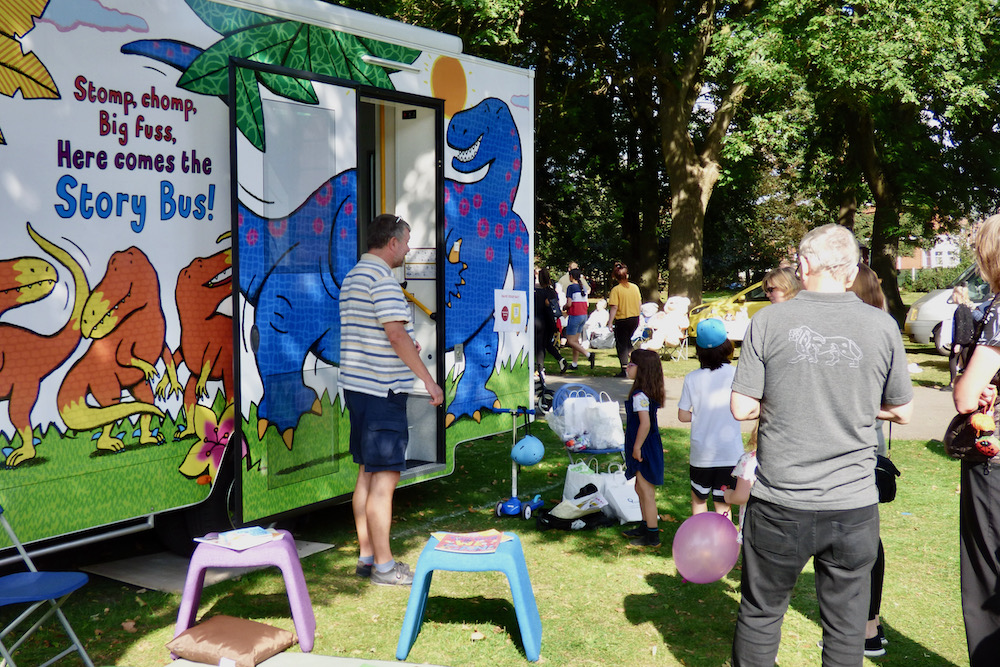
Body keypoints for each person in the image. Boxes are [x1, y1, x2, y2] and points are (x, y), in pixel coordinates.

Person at [729, 223, 913, 666]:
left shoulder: (768, 320)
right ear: (850, 272)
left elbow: (741, 407)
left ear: (804, 263)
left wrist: (787, 404)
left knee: (761, 614)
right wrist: (857, 407)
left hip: (780, 501)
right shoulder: (882, 325)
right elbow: (902, 411)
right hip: (851, 506)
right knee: (847, 628)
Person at [339, 214, 445, 586]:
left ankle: (367, 556)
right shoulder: (382, 280)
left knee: (366, 475)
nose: (409, 249)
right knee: (384, 481)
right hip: (383, 392)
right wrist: (430, 382)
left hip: (357, 389)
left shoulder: (354, 276)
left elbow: (383, 334)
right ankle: (385, 567)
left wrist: (403, 340)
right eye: (407, 241)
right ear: (392, 243)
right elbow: (396, 335)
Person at [953, 213, 1000, 666]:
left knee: (988, 577)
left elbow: (967, 396)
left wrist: (967, 386)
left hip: (995, 462)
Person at [848, 262, 891, 657]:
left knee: (862, 542)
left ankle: (867, 628)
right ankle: (868, 625)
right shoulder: (882, 325)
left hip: (859, 449)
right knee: (865, 538)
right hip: (868, 447)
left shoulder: (867, 331)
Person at [678, 318, 744, 517]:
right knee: (724, 503)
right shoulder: (737, 374)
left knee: (699, 500)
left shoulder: (691, 378)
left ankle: (701, 544)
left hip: (702, 453)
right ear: (727, 345)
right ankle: (725, 545)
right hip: (730, 452)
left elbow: (682, 415)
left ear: (699, 350)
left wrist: (700, 415)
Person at [621, 348, 666, 547]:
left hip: (644, 446)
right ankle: (645, 525)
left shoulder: (640, 396)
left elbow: (645, 424)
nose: (627, 367)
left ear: (642, 370)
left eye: (631, 364)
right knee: (639, 487)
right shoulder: (643, 393)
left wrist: (637, 447)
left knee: (646, 490)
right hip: (645, 444)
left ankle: (652, 536)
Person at [723, 425, 758, 545]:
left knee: (754, 563)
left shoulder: (749, 460)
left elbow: (741, 496)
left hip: (755, 527)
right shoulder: (790, 460)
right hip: (786, 525)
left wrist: (728, 495)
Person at [607, 262, 642, 376]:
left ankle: (624, 369)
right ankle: (638, 363)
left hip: (622, 319)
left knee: (621, 344)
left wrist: (610, 322)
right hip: (634, 318)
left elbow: (614, 307)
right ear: (627, 275)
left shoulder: (616, 290)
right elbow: (639, 302)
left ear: (615, 277)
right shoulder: (634, 287)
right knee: (627, 343)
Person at [534, 268, 567, 375]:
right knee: (547, 344)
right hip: (550, 322)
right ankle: (560, 359)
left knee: (539, 346)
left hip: (539, 321)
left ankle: (540, 368)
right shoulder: (552, 292)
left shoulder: (537, 293)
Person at [563, 268, 595, 370]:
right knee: (575, 341)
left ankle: (588, 355)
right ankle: (574, 363)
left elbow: (569, 303)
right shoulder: (583, 288)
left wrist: (564, 307)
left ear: (571, 276)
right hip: (583, 315)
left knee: (570, 341)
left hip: (575, 315)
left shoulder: (571, 287)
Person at [947, 283, 977, 391]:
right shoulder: (967, 308)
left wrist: (958, 343)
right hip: (968, 340)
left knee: (952, 359)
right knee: (966, 361)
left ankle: (952, 382)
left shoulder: (959, 309)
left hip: (960, 340)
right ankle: (968, 382)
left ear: (956, 295)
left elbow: (960, 326)